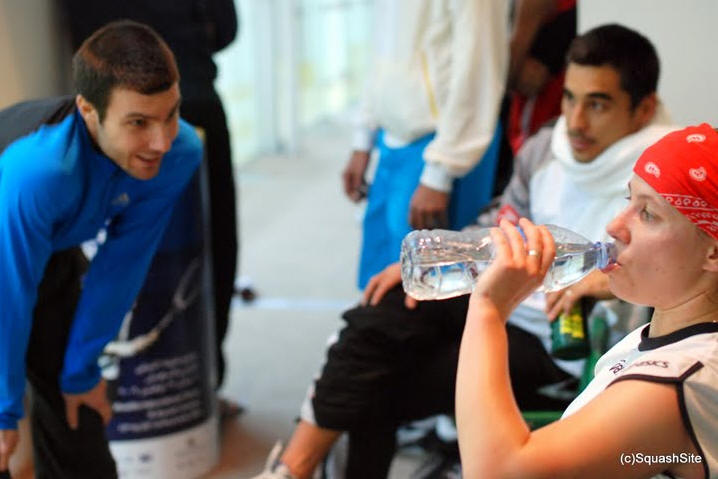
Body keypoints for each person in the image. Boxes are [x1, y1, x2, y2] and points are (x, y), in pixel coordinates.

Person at [252, 24, 673, 479]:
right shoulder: (545, 150)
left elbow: (684, 276)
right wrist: (434, 260)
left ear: (643, 109)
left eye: (598, 104)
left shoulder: (663, 183)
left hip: (552, 342)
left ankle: (291, 468)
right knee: (382, 308)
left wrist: (607, 282)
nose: (576, 122)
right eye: (570, 99)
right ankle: (292, 469)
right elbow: (501, 222)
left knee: (376, 384)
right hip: (500, 292)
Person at [456, 123, 718, 478]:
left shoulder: (677, 381)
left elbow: (498, 472)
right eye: (629, 200)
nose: (614, 226)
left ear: (714, 252)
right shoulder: (669, 341)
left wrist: (488, 310)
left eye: (648, 214)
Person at [0, 21, 202, 477]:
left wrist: (80, 372)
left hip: (48, 248)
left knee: (79, 419)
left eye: (171, 114)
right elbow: (8, 292)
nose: (161, 141)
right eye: (138, 123)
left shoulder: (179, 152)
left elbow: (121, 265)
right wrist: (4, 410)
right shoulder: (40, 171)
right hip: (6, 252)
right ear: (88, 111)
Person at [59, 0, 242, 418]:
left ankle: (120, 394)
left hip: (112, 110)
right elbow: (224, 27)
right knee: (205, 250)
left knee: (126, 254)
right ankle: (199, 390)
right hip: (184, 90)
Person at [341, 0, 510, 289]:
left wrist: (440, 173)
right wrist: (363, 137)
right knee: (380, 284)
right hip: (392, 136)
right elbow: (383, 45)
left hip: (443, 143)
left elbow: (479, 65)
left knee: (426, 289)